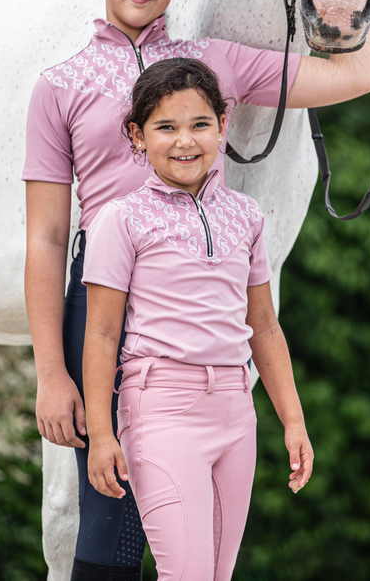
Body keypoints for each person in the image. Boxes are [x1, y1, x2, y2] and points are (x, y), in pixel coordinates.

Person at [22, 0, 370, 580]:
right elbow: (45, 236)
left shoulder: (213, 65)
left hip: (195, 315)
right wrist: (49, 373)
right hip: (103, 308)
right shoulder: (57, 87)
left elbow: (355, 76)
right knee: (109, 518)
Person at [81, 58, 312, 581]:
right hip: (162, 411)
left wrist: (293, 420)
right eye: (166, 127)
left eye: (199, 124)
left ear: (223, 126)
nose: (185, 141)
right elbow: (101, 332)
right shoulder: (121, 219)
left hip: (236, 409)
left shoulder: (246, 215)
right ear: (137, 136)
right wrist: (100, 432)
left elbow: (265, 327)